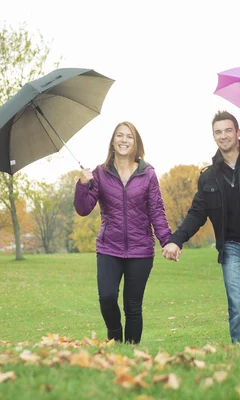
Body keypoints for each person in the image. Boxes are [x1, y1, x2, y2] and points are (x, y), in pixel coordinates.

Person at [162, 111, 240, 344]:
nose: (223, 136)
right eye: (218, 132)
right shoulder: (208, 177)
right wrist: (176, 239)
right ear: (214, 136)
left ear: (238, 132)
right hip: (232, 249)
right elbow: (197, 213)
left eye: (228, 130)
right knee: (238, 309)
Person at [74, 121, 172, 344]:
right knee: (107, 298)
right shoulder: (100, 173)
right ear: (112, 141)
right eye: (120, 135)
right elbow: (83, 209)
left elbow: (156, 210)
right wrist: (82, 184)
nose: (124, 140)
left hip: (141, 250)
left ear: (135, 142)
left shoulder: (147, 174)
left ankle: (132, 352)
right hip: (109, 247)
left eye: (129, 136)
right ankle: (115, 337)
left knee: (133, 306)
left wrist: (167, 240)